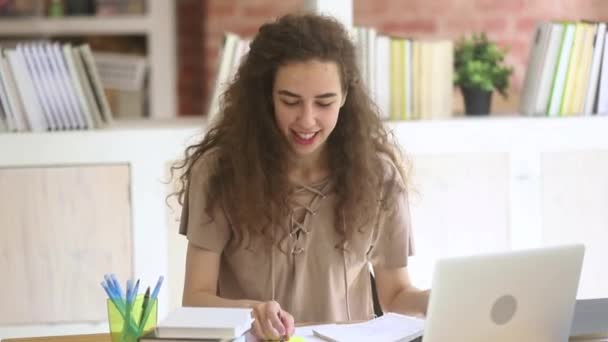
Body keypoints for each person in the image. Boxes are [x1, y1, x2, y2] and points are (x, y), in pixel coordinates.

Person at [174, 13, 429, 341]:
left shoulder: (379, 177)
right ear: (267, 95)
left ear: (346, 97)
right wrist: (252, 313)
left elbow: (395, 295)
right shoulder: (219, 173)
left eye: (325, 102)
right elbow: (195, 299)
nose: (307, 120)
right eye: (290, 101)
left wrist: (435, 300)